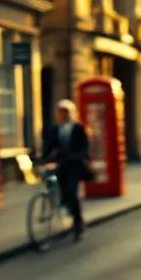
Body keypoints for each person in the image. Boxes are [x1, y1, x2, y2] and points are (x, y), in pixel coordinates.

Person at [42, 99, 91, 242]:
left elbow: (84, 147)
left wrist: (78, 156)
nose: (61, 115)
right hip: (62, 165)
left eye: (64, 112)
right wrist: (43, 159)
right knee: (62, 193)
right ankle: (69, 208)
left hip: (75, 165)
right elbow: (49, 146)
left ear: (70, 113)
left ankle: (78, 226)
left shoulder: (78, 128)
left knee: (71, 191)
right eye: (59, 112)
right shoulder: (55, 129)